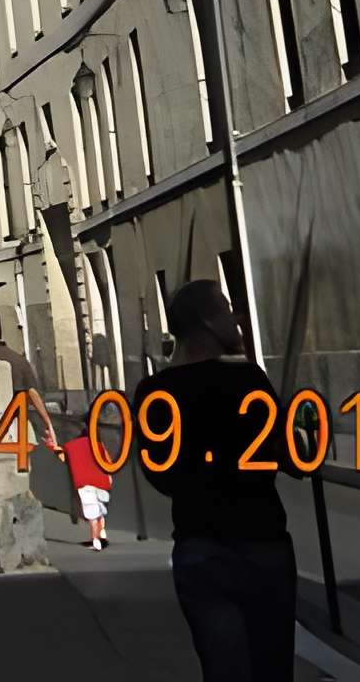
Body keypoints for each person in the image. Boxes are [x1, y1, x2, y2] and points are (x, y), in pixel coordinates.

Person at [132, 278, 294, 682]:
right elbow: (290, 457)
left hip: (200, 544)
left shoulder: (154, 392)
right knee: (272, 669)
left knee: (223, 670)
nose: (235, 318)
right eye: (225, 308)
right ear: (206, 320)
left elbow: (159, 475)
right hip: (262, 540)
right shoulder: (248, 381)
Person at [41, 394, 115, 550]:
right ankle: (102, 533)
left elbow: (62, 457)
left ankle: (96, 540)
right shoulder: (99, 445)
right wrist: (109, 478)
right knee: (100, 511)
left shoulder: (73, 447)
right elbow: (109, 462)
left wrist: (51, 446)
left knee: (92, 514)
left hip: (84, 484)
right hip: (103, 483)